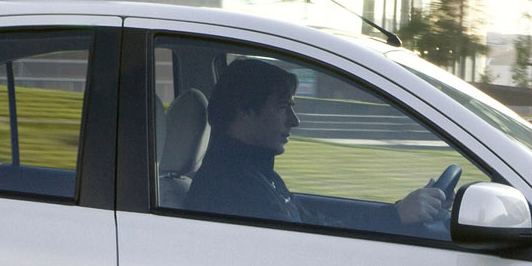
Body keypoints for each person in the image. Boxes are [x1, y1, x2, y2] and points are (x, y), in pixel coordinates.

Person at [183, 56, 453, 234]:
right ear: (244, 112)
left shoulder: (257, 175)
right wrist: (396, 216)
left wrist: (400, 212)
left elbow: (315, 225)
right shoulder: (232, 190)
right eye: (282, 107)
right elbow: (311, 251)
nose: (295, 121)